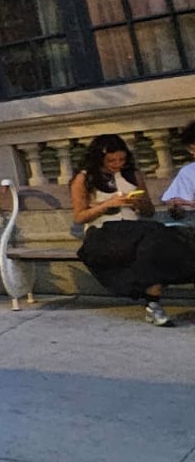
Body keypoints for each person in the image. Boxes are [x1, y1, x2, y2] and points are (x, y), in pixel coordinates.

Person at [70, 134, 194, 325]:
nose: (117, 164)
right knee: (155, 236)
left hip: (135, 231)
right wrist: (107, 204)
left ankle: (153, 306)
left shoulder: (133, 175)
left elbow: (149, 211)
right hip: (103, 233)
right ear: (99, 158)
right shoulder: (85, 178)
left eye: (121, 159)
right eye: (111, 160)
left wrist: (139, 203)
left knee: (159, 243)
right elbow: (79, 217)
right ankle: (152, 305)